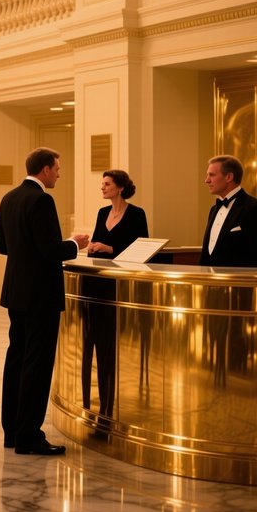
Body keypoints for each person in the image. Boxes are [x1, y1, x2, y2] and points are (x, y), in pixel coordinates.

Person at [0, 147, 89, 455]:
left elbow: (2, 245)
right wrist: (75, 244)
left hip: (16, 292)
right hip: (40, 296)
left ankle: (12, 431)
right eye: (57, 169)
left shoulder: (9, 198)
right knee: (37, 364)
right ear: (46, 169)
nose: (59, 174)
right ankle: (29, 437)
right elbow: (50, 250)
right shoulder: (41, 200)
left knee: (16, 359)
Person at [82, 170, 149, 426]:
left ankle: (115, 397)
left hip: (120, 286)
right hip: (97, 284)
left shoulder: (136, 214)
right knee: (96, 338)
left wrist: (110, 248)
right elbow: (98, 241)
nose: (102, 188)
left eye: (107, 184)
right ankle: (96, 398)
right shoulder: (102, 213)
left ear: (120, 188)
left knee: (113, 342)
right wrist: (93, 247)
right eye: (102, 183)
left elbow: (141, 248)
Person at [200, 155, 257, 267]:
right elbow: (206, 255)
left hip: (241, 282)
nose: (207, 180)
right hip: (211, 282)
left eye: (211, 175)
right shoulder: (213, 210)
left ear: (229, 177)